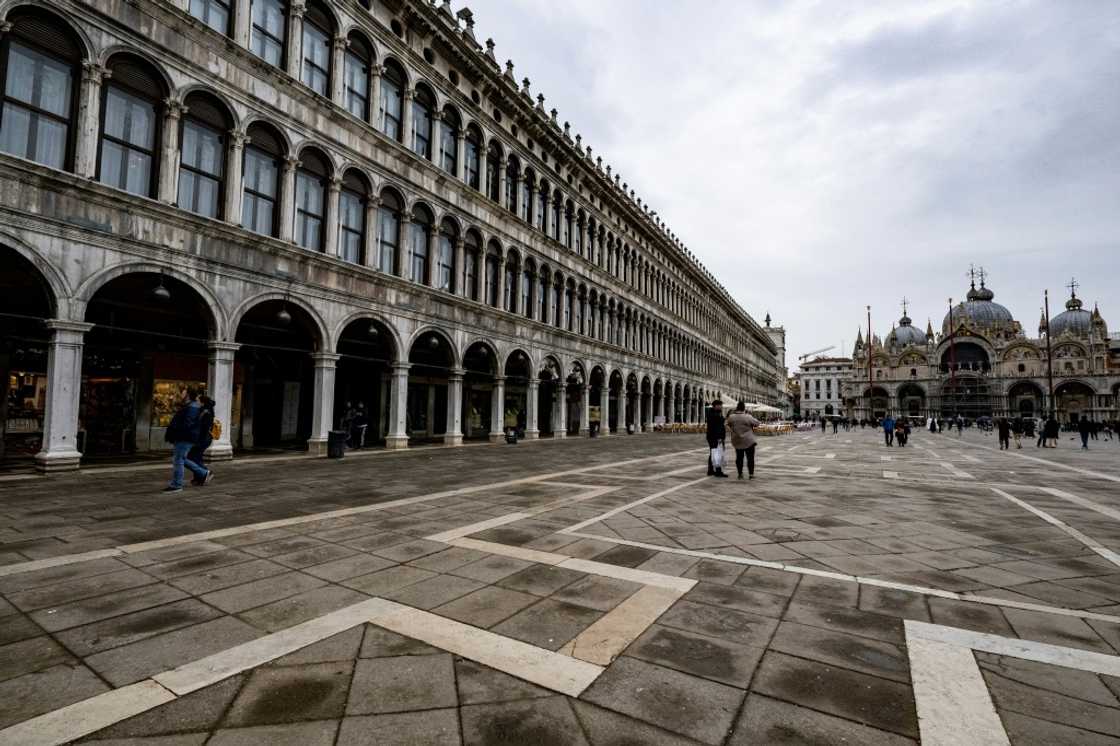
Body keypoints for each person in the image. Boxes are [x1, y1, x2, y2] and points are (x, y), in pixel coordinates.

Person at [164, 386, 212, 493]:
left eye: (183, 392)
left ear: (188, 395)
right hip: (185, 436)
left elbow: (188, 425)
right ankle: (204, 473)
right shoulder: (190, 406)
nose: (181, 394)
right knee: (181, 459)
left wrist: (176, 431)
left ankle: (177, 485)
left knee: (178, 460)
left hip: (185, 437)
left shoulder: (192, 407)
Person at [726, 401, 761, 480]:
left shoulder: (731, 417)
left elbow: (727, 424)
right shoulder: (748, 416)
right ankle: (751, 475)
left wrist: (732, 431)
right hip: (749, 440)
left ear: (737, 408)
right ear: (744, 408)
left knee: (739, 457)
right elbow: (757, 423)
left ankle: (740, 474)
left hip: (737, 440)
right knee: (750, 458)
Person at [188, 395, 216, 485]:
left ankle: (206, 472)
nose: (196, 402)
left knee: (192, 457)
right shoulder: (205, 410)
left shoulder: (205, 411)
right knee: (196, 457)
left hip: (203, 438)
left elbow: (204, 427)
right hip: (204, 438)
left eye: (197, 400)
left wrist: (197, 441)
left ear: (202, 402)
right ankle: (199, 478)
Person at [706, 399, 728, 478]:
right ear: (716, 406)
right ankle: (718, 471)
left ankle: (710, 470)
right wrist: (719, 437)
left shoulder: (716, 413)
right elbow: (716, 427)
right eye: (720, 405)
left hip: (714, 436)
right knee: (717, 453)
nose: (721, 407)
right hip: (714, 437)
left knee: (713, 453)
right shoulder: (713, 414)